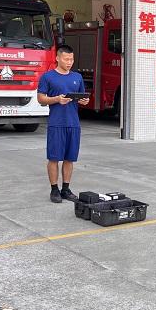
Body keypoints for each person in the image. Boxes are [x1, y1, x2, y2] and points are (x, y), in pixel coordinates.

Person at [37, 44, 89, 203]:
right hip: (56, 123)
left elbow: (81, 97)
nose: (69, 62)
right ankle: (54, 190)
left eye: (71, 59)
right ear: (57, 58)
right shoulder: (48, 77)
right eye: (66, 59)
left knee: (70, 158)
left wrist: (84, 100)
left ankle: (66, 189)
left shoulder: (77, 77)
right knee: (54, 158)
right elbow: (41, 99)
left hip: (73, 124)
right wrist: (56, 99)